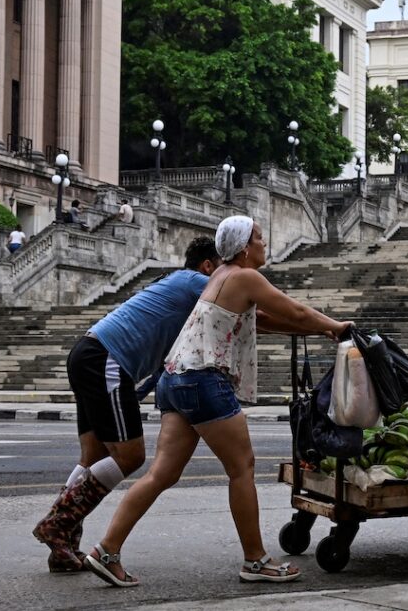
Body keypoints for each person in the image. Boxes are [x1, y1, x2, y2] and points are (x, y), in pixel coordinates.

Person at [84, 215, 352, 588]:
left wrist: (322, 328)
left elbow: (269, 321)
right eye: (258, 237)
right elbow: (294, 310)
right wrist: (337, 326)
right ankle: (255, 560)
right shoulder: (245, 276)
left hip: (175, 378)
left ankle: (105, 550)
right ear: (244, 247)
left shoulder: (221, 278)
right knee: (241, 468)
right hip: (204, 379)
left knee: (162, 473)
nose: (264, 243)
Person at [32, 237, 223, 573]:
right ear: (209, 266)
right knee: (130, 456)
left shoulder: (176, 286)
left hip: (89, 353)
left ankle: (62, 543)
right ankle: (57, 525)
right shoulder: (197, 281)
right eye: (224, 271)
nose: (228, 281)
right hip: (106, 359)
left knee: (94, 457)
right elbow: (243, 309)